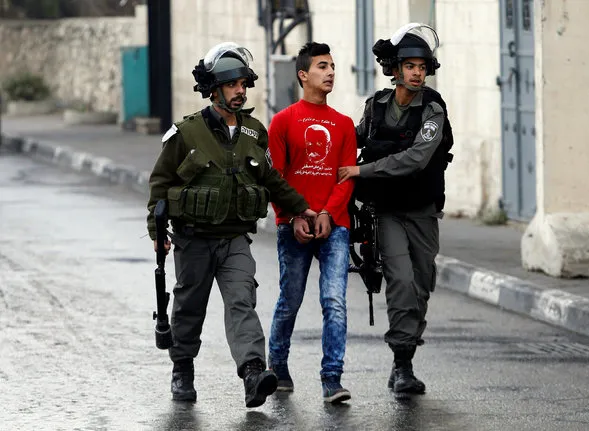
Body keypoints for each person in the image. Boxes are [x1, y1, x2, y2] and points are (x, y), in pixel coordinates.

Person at [146, 42, 316, 407]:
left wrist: (302, 209)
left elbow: (271, 179)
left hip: (234, 239)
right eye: (233, 85)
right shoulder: (186, 134)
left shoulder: (255, 132)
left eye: (244, 84)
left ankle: (254, 373)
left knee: (242, 301)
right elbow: (160, 185)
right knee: (189, 306)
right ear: (214, 90)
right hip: (194, 239)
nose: (241, 90)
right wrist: (157, 234)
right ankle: (183, 368)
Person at [338, 23, 454, 395]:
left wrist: (364, 169)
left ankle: (403, 359)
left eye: (422, 66)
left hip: (422, 210)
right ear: (395, 69)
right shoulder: (376, 107)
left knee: (421, 285)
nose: (417, 72)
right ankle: (403, 362)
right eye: (410, 66)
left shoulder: (433, 109)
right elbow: (349, 141)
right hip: (386, 211)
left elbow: (417, 159)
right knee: (401, 281)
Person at [267, 42, 357, 403]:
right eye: (323, 66)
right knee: (290, 299)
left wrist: (325, 214)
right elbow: (274, 176)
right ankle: (279, 365)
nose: (331, 72)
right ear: (304, 74)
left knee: (334, 300)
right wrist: (292, 217)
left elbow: (346, 177)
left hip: (334, 224)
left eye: (333, 66)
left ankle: (331, 379)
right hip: (295, 226)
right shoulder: (283, 121)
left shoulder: (344, 124)